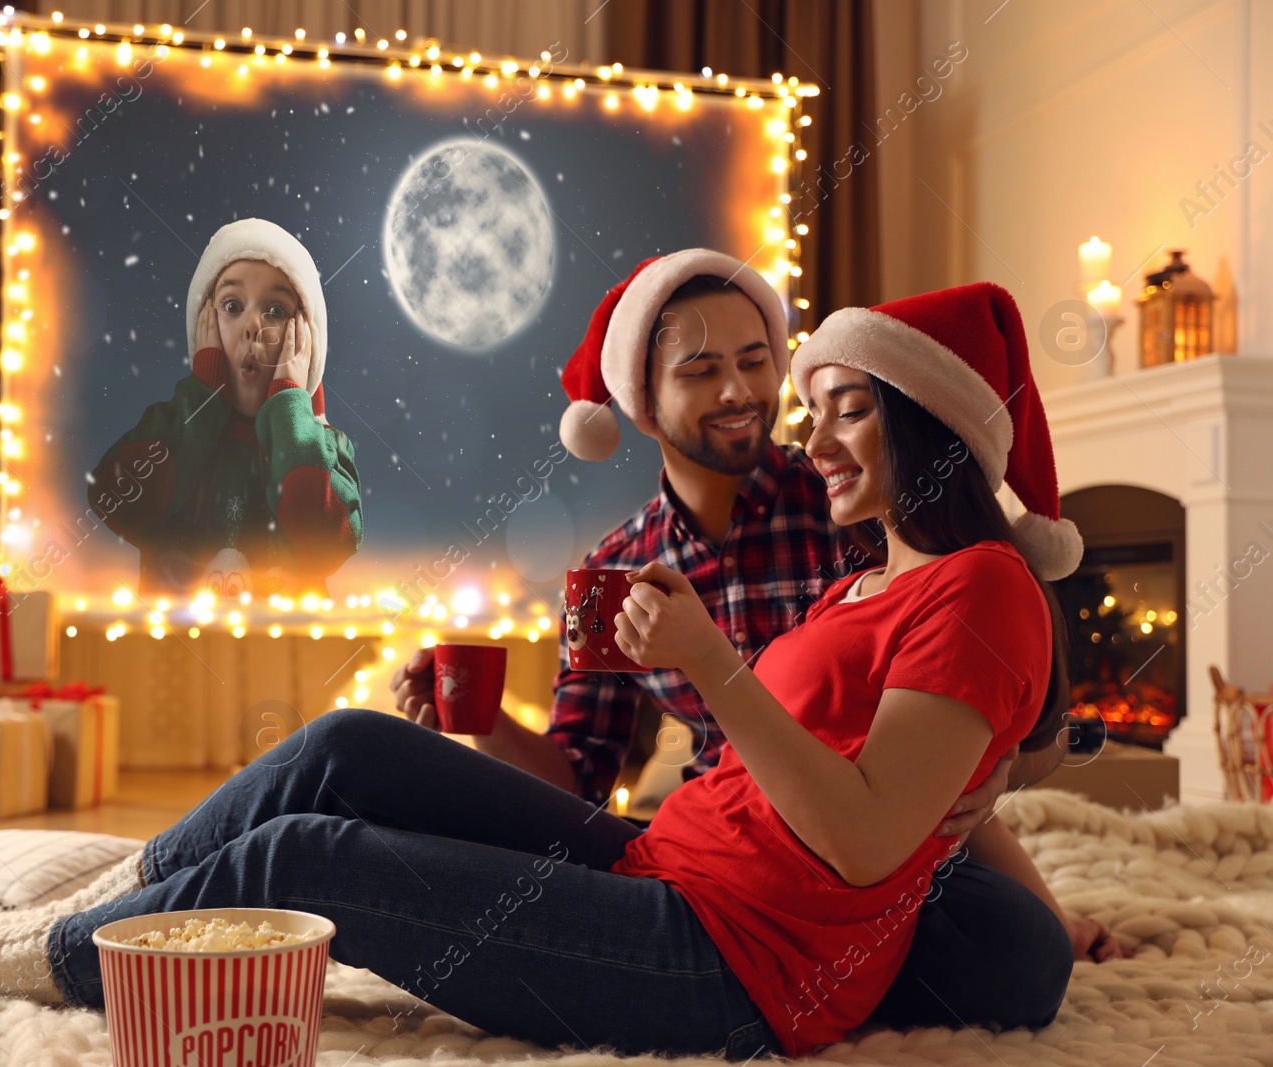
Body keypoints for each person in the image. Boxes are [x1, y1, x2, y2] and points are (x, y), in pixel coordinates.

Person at [0, 282, 1126, 1061]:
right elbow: (933, 791)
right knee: (349, 748)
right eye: (809, 406)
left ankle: (11, 959)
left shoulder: (985, 589)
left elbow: (878, 827)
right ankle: (94, 897)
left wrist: (717, 669)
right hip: (664, 858)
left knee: (306, 855)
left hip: (741, 962)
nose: (807, 431)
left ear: (930, 430)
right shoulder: (868, 571)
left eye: (843, 408)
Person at [394, 252, 1091, 1030]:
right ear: (643, 403)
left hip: (874, 855)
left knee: (1024, 948)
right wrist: (481, 721)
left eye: (755, 361)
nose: (737, 391)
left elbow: (997, 710)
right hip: (714, 837)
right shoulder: (613, 575)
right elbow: (579, 775)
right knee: (373, 786)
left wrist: (993, 769)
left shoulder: (853, 511)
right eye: (699, 370)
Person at [88, 218, 362, 598]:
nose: (253, 325)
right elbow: (117, 502)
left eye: (276, 311)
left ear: (306, 340)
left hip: (287, 656)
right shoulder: (171, 428)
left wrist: (290, 406)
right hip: (172, 654)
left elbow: (325, 542)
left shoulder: (327, 448)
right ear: (204, 325)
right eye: (232, 305)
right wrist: (203, 396)